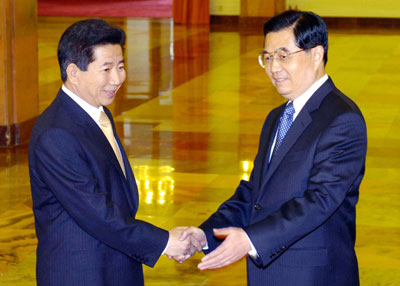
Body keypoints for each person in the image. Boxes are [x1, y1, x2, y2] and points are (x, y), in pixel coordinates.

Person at [182, 10, 367, 286]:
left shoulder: (342, 119)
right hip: (269, 272)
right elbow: (254, 193)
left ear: (316, 55)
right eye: (267, 58)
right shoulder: (276, 117)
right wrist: (206, 233)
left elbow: (320, 200)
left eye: (283, 56)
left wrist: (250, 240)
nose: (273, 68)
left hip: (313, 275)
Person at [28, 19, 201, 286]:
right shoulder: (56, 134)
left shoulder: (97, 111)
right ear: (73, 72)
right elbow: (96, 213)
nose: (117, 79)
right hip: (82, 273)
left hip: (114, 262)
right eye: (106, 69)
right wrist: (164, 242)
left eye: (120, 66)